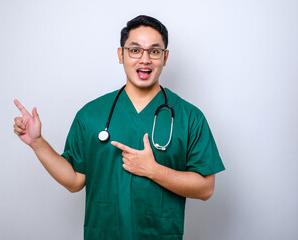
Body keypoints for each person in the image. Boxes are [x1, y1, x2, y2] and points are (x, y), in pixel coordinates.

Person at [13, 15, 225, 240]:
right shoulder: (91, 114)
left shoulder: (189, 117)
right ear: (120, 54)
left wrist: (153, 170)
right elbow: (75, 181)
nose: (145, 59)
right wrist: (37, 143)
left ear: (165, 57)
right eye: (135, 50)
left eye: (154, 51)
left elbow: (205, 188)